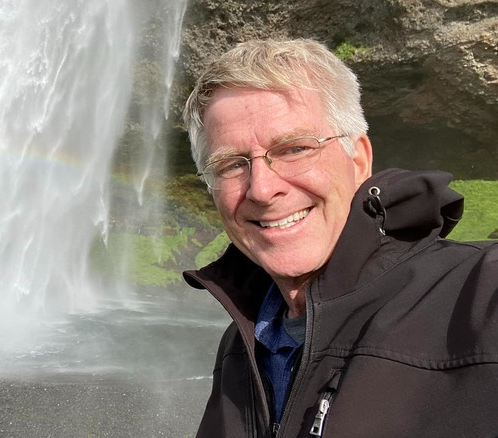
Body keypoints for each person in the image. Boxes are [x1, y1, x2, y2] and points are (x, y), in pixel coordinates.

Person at [181, 38, 498, 437]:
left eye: (295, 148)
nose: (262, 189)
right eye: (231, 165)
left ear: (359, 159)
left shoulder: (478, 295)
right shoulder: (242, 343)